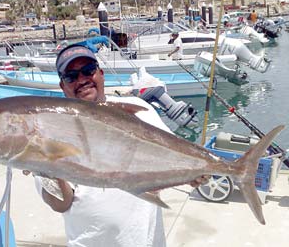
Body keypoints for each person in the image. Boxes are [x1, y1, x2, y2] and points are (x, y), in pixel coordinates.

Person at [29, 44, 208, 247]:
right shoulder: (51, 129)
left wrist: (193, 171)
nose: (82, 80)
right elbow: (61, 204)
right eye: (71, 76)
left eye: (88, 70)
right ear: (63, 86)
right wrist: (47, 166)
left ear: (100, 73)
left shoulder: (139, 110)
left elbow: (172, 152)